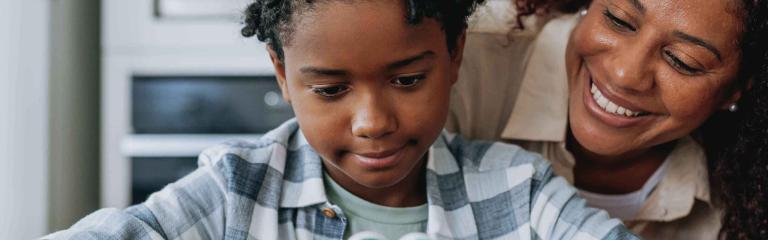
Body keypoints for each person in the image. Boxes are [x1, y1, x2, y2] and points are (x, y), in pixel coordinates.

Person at [41, 0, 638, 239]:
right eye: (329, 89)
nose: (372, 122)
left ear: (455, 54)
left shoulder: (518, 189)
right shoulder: (235, 190)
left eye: (407, 81)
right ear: (280, 72)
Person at [448, 0, 768, 239]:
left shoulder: (742, 209)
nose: (624, 73)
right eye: (619, 20)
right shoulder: (456, 76)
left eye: (682, 61)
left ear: (736, 90)